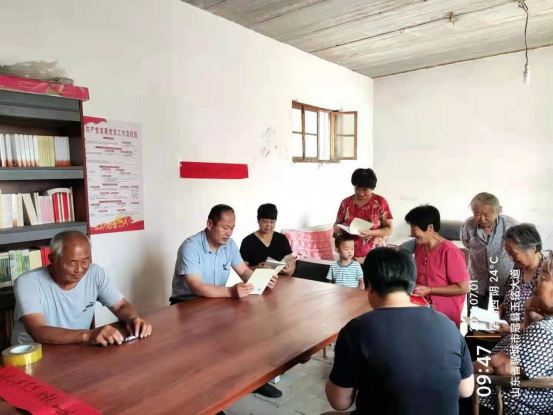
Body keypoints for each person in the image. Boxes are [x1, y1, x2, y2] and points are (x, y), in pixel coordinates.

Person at [323, 248, 474, 415]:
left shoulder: (356, 329)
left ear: (369, 285)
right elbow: (466, 390)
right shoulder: (448, 325)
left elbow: (339, 402)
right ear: (411, 284)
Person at [170, 204, 282, 401]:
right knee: (205, 353)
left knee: (249, 330)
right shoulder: (191, 246)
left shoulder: (229, 245)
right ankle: (212, 402)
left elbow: (244, 272)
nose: (229, 233)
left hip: (217, 303)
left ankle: (252, 381)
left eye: (232, 228)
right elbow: (196, 286)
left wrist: (262, 279)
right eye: (224, 227)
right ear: (210, 224)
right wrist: (231, 291)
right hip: (186, 306)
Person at [12, 231, 152, 346]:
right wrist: (88, 335)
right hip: (33, 357)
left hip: (75, 350)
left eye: (85, 261)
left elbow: (120, 306)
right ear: (52, 259)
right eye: (71, 264)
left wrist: (133, 319)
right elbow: (38, 331)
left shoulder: (95, 273)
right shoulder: (27, 282)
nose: (79, 270)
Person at [474, 252, 553, 415]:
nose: (535, 281)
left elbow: (498, 366)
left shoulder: (545, 331)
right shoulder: (545, 324)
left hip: (500, 407)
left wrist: (460, 367)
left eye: (543, 277)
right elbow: (527, 339)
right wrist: (529, 310)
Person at [405, 205, 470, 328]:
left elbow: (464, 288)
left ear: (430, 227)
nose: (412, 232)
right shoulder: (420, 248)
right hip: (422, 308)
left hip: (444, 314)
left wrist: (430, 290)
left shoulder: (450, 251)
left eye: (414, 226)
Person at [461, 192, 517, 311]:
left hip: (503, 278)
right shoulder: (468, 226)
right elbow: (466, 244)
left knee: (504, 315)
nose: (482, 219)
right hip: (477, 277)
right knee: (475, 315)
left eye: (487, 215)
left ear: (498, 211)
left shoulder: (511, 225)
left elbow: (519, 250)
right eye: (477, 215)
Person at [333, 168, 393, 263]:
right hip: (349, 255)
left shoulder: (380, 202)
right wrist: (347, 230)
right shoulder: (346, 202)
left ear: (372, 187)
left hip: (375, 254)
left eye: (365, 190)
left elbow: (389, 229)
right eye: (357, 188)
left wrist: (370, 233)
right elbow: (336, 226)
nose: (361, 193)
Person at [498, 224, 545, 333]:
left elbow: (547, 316)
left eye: (514, 253)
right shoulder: (518, 267)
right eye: (508, 253)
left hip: (531, 334)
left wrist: (513, 328)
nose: (510, 258)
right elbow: (510, 295)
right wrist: (499, 310)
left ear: (532, 249)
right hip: (505, 328)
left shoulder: (547, 273)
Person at [240, 203, 296, 276]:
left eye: (272, 222)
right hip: (257, 280)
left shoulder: (282, 238)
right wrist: (257, 268)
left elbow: (291, 264)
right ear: (258, 220)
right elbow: (242, 270)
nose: (268, 225)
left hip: (280, 280)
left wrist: (288, 271)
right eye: (265, 221)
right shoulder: (248, 241)